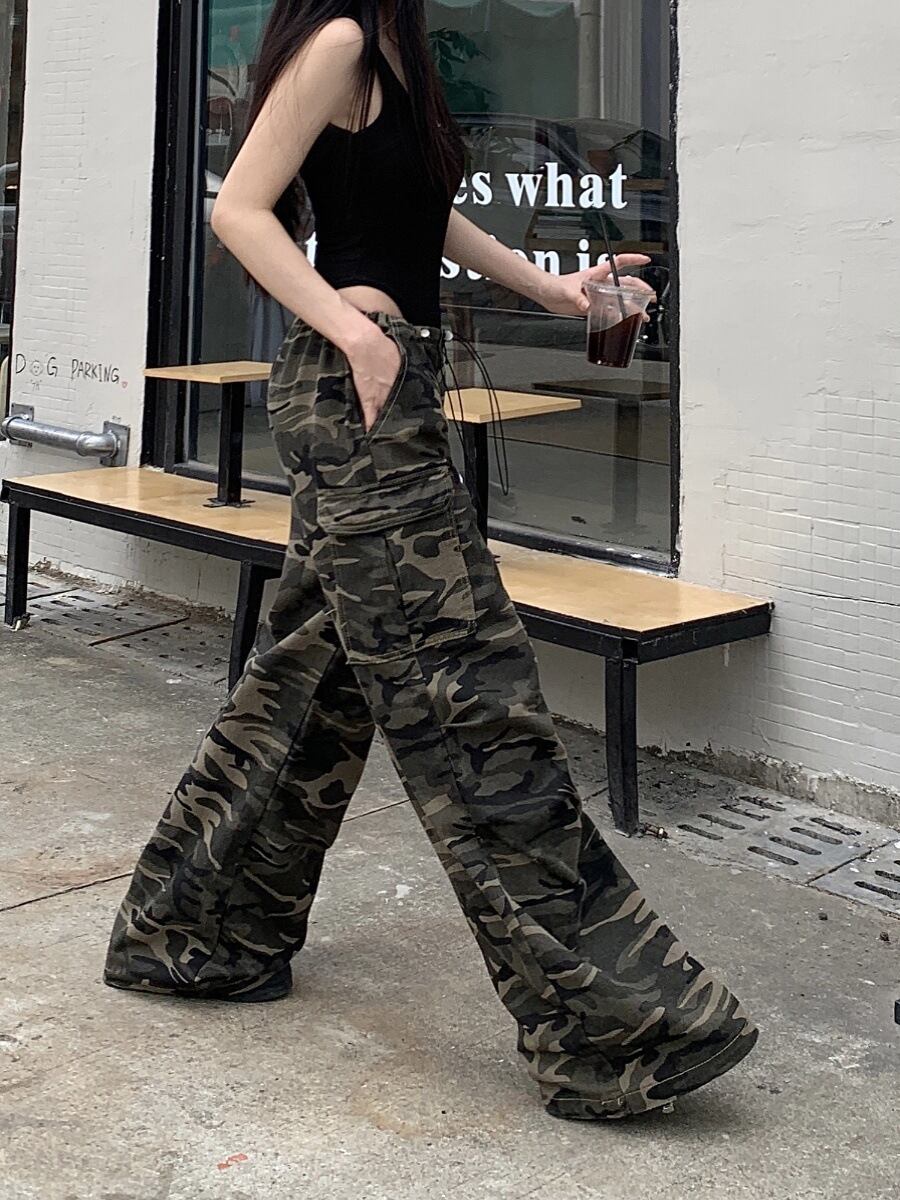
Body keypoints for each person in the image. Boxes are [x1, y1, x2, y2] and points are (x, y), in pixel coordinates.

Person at [104, 0, 758, 1121]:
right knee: (468, 695)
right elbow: (239, 210)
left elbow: (426, 215)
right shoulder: (342, 41)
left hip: (388, 387)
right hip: (353, 387)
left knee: (314, 682)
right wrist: (356, 333)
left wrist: (557, 291)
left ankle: (193, 929)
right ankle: (616, 1031)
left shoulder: (400, 53)